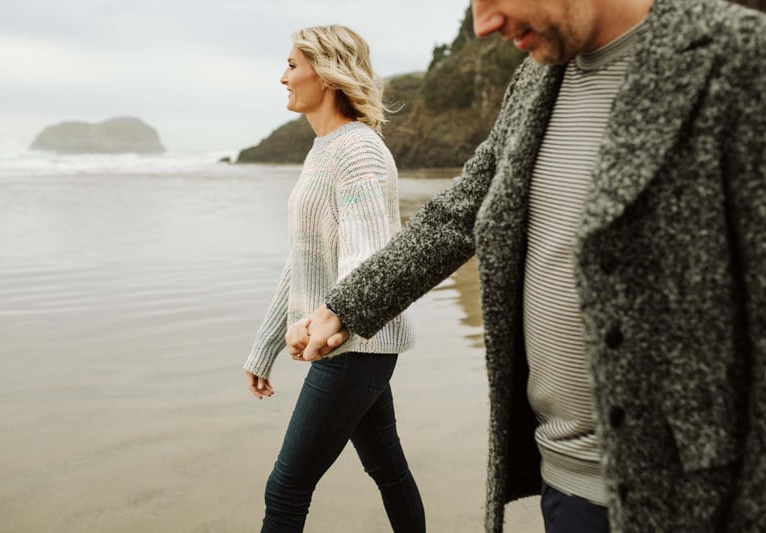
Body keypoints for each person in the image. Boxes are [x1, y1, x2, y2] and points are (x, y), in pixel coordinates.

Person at [287, 0, 766, 531]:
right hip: (562, 481)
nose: (483, 24)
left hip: (698, 499)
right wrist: (343, 307)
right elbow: (456, 214)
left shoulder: (741, 58)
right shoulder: (535, 81)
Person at [243, 24, 424, 533]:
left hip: (354, 345)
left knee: (285, 489)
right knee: (388, 469)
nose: (283, 76)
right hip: (347, 341)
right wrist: (265, 346)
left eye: (293, 65)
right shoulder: (325, 149)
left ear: (325, 73)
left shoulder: (358, 152)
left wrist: (330, 322)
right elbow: (303, 258)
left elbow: (370, 259)